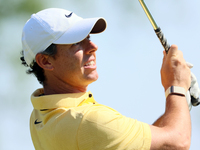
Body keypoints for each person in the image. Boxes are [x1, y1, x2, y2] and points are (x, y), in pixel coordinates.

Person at [21, 8, 192, 150]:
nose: (93, 47)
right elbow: (178, 142)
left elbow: (141, 140)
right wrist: (176, 87)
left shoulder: (40, 115)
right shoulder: (88, 121)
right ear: (45, 61)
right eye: (76, 42)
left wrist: (180, 105)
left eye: (88, 38)